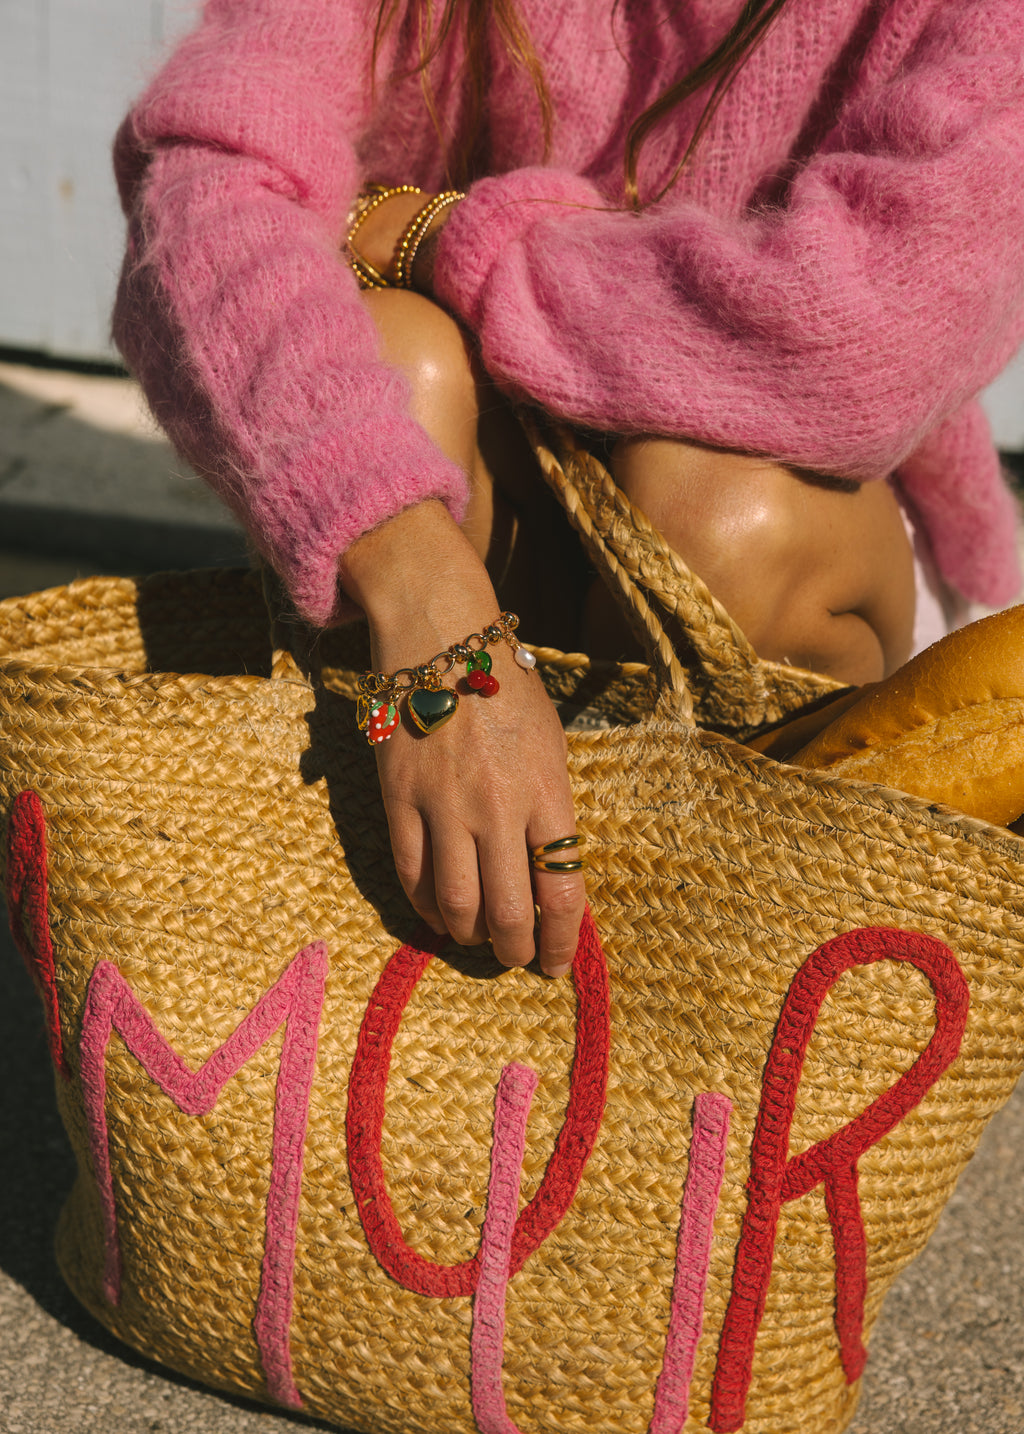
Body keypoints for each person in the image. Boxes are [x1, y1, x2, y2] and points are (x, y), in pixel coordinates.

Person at [112, 0, 1024, 980]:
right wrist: (424, 595)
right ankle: (405, 907)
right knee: (398, 369)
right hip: (481, 528)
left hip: (791, 531)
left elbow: (855, 338)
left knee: (715, 517)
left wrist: (445, 241)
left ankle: (720, 990)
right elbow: (203, 177)